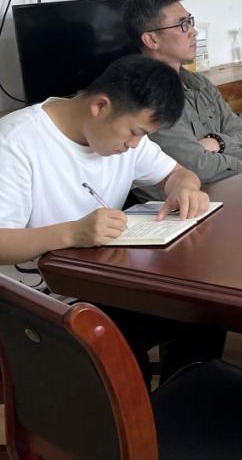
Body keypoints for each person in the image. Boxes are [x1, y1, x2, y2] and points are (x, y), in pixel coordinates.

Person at [0, 55, 222, 382]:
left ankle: (178, 402)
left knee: (205, 311)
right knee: (119, 347)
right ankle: (135, 410)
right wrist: (72, 233)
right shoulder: (15, 142)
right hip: (36, 307)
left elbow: (178, 173)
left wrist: (185, 188)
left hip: (101, 287)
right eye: (134, 132)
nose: (134, 145)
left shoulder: (124, 139)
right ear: (100, 106)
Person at [123, 0, 242, 201]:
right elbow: (197, 166)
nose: (193, 31)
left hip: (227, 192)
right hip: (178, 209)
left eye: (190, 21)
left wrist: (216, 142)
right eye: (182, 25)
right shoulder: (145, 95)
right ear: (152, 39)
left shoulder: (198, 83)